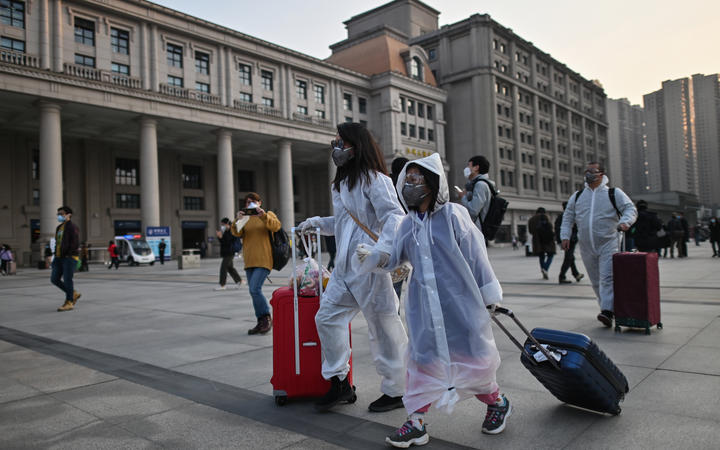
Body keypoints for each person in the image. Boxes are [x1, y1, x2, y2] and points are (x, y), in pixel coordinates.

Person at [355, 154, 510, 447]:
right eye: (408, 179)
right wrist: (374, 256)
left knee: (473, 361)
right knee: (421, 360)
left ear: (432, 183)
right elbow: (394, 258)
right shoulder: (407, 225)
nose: (411, 184)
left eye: (417, 179)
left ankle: (498, 402)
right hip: (424, 307)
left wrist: (490, 295)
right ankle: (416, 422)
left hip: (461, 303)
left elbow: (477, 256)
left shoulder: (453, 215)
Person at [298, 122, 408, 413]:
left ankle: (396, 389)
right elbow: (345, 224)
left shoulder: (376, 180)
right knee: (328, 318)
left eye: (340, 142)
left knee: (383, 327)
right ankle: (339, 382)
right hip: (345, 269)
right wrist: (318, 224)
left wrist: (381, 252)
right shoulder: (343, 184)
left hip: (370, 266)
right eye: (334, 142)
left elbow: (394, 218)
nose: (336, 148)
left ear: (355, 146)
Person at [560, 162, 637, 327]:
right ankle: (607, 309)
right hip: (586, 245)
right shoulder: (578, 196)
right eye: (586, 171)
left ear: (601, 174)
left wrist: (625, 222)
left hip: (609, 242)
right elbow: (568, 217)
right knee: (595, 280)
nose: (588, 174)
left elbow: (630, 209)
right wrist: (565, 235)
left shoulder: (613, 193)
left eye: (592, 171)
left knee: (607, 278)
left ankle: (607, 311)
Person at [231, 192, 281, 335]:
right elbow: (236, 233)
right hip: (250, 260)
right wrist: (238, 219)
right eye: (247, 202)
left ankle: (265, 317)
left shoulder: (267, 214)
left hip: (264, 259)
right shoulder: (245, 218)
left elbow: (276, 226)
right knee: (253, 291)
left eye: (253, 201)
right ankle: (261, 321)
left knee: (254, 289)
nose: (250, 204)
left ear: (259, 203)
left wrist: (263, 215)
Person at [52, 206, 81, 312]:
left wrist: (68, 254)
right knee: (54, 279)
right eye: (58, 214)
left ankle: (69, 302)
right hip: (59, 257)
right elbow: (57, 242)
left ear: (69, 215)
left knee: (67, 279)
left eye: (62, 213)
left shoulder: (72, 227)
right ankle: (73, 293)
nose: (59, 215)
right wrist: (56, 254)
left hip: (69, 257)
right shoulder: (59, 228)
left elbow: (74, 244)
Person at [459, 155, 494, 234]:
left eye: (469, 166)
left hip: (478, 231)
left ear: (476, 168)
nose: (467, 169)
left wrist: (463, 197)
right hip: (478, 230)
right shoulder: (480, 184)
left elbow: (473, 211)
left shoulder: (480, 185)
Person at [555, 202, 584, 284]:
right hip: (569, 241)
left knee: (570, 258)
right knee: (568, 258)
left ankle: (576, 274)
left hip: (568, 240)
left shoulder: (561, 217)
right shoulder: (567, 217)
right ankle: (562, 277)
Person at [215, 218, 244, 290]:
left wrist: (221, 237)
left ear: (227, 224)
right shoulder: (226, 231)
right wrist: (220, 237)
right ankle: (240, 281)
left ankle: (222, 285)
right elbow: (223, 242)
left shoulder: (231, 231)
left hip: (230, 252)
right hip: (226, 252)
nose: (222, 226)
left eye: (223, 224)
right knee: (230, 268)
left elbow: (228, 243)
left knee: (223, 268)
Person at [528, 207, 555, 280]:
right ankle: (545, 268)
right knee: (551, 255)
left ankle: (543, 269)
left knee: (541, 256)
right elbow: (550, 227)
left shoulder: (531, 219)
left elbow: (530, 231)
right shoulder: (545, 217)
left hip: (537, 241)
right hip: (547, 240)